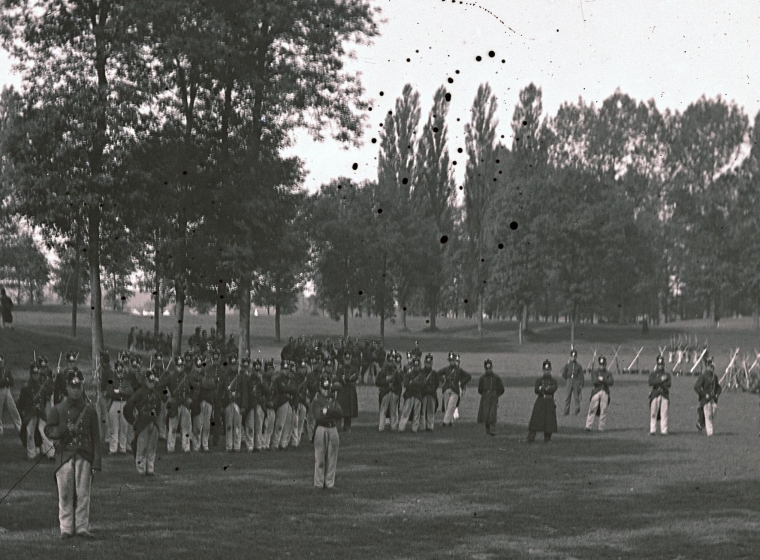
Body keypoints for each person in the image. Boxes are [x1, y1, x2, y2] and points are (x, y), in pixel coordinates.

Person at [44, 369, 102, 539]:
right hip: (65, 455)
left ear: (83, 386)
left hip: (84, 455)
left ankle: (82, 526)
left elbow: (96, 438)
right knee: (65, 493)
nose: (76, 390)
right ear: (67, 388)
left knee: (83, 493)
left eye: (79, 386)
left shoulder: (90, 409)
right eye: (73, 386)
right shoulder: (58, 408)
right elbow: (48, 430)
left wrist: (96, 461)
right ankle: (66, 528)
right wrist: (63, 429)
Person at [125, 366, 166, 475]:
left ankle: (150, 469)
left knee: (152, 448)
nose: (152, 383)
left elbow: (158, 408)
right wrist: (132, 420)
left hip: (154, 423)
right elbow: (128, 406)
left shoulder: (156, 395)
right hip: (142, 423)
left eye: (153, 381)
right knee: (141, 448)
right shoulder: (139, 393)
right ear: (145, 381)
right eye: (150, 381)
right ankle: (141, 470)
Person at [17, 361, 55, 460]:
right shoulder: (25, 388)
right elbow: (21, 403)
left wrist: (51, 379)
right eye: (34, 373)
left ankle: (51, 454)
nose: (35, 375)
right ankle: (31, 454)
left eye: (37, 373)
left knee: (44, 430)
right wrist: (23, 412)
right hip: (30, 412)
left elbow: (50, 391)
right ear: (30, 373)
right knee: (30, 432)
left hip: (41, 412)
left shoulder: (41, 386)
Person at [312, 376, 343, 490]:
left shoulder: (333, 400)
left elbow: (340, 413)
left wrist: (327, 411)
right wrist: (331, 412)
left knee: (332, 457)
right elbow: (318, 416)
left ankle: (330, 483)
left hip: (332, 428)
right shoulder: (316, 401)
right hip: (321, 428)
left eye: (327, 388)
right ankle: (318, 483)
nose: (326, 391)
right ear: (320, 388)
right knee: (320, 458)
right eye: (324, 388)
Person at [527, 360, 558, 443]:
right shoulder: (539, 380)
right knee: (535, 420)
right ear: (543, 370)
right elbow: (536, 389)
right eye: (545, 370)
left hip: (549, 401)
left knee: (549, 421)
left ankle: (547, 439)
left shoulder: (554, 381)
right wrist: (544, 389)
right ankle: (530, 438)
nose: (546, 372)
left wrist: (543, 388)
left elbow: (553, 388)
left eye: (548, 370)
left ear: (550, 370)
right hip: (541, 400)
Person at [439, 352, 472, 427]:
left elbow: (468, 376)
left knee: (451, 406)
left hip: (455, 390)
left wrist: (461, 383)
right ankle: (450, 421)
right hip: (446, 389)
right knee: (447, 406)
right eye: (450, 360)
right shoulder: (446, 369)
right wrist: (442, 380)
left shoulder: (459, 370)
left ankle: (445, 422)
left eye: (453, 360)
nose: (452, 362)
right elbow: (437, 374)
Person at [585, 356, 614, 432]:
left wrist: (602, 379)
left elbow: (611, 382)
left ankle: (601, 428)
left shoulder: (608, 373)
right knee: (592, 409)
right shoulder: (595, 372)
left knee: (603, 410)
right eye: (601, 364)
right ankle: (588, 426)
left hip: (605, 391)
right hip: (596, 391)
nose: (602, 366)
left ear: (605, 364)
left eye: (603, 364)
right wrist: (605, 380)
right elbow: (595, 381)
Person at [694, 356, 722, 436]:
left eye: (713, 366)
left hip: (713, 399)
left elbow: (718, 387)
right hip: (705, 399)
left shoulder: (714, 376)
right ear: (707, 366)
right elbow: (696, 387)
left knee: (712, 412)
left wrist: (717, 394)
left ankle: (700, 423)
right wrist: (704, 394)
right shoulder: (703, 376)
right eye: (711, 366)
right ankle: (710, 433)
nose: (712, 368)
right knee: (708, 415)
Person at [477, 359, 505, 436]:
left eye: (490, 368)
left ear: (492, 368)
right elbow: (480, 389)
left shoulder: (496, 378)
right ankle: (487, 430)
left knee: (492, 413)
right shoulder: (482, 378)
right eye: (487, 369)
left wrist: (496, 395)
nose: (488, 370)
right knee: (486, 413)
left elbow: (502, 389)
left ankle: (493, 430)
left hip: (494, 396)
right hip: (485, 396)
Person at [376, 353, 402, 431]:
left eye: (392, 361)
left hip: (393, 392)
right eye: (389, 361)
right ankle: (381, 427)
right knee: (383, 410)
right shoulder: (383, 371)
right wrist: (386, 380)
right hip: (385, 392)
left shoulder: (396, 371)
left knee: (393, 410)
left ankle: (393, 426)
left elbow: (399, 382)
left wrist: (397, 393)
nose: (390, 363)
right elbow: (377, 382)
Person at [398, 357, 425, 433]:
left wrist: (412, 383)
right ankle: (401, 427)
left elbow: (422, 384)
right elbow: (406, 384)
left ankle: (414, 429)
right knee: (406, 412)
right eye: (415, 365)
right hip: (410, 394)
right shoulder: (409, 374)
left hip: (416, 395)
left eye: (417, 365)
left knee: (417, 413)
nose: (416, 367)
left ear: (419, 365)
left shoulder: (421, 375)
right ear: (413, 365)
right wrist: (415, 385)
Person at [335, 351, 359, 432]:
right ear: (343, 359)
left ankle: (347, 426)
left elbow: (355, 376)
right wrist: (344, 378)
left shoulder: (354, 368)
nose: (347, 361)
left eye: (349, 359)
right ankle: (338, 426)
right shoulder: (340, 368)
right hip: (342, 390)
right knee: (340, 408)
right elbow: (338, 377)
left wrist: (346, 378)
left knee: (349, 409)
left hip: (350, 390)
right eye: (346, 359)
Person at [0, 352, 22, 438]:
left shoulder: (6, 370)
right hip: (0, 391)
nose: (0, 363)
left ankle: (20, 428)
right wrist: (6, 380)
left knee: (13, 409)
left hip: (7, 391)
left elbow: (12, 382)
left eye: (1, 362)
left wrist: (4, 381)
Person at [648, 355, 671, 436]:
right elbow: (651, 382)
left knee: (664, 413)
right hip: (655, 394)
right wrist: (661, 380)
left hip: (664, 394)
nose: (660, 366)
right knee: (653, 413)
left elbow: (668, 384)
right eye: (659, 364)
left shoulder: (667, 374)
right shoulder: (653, 374)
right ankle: (652, 430)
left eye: (661, 365)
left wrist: (658, 382)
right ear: (657, 364)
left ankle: (664, 430)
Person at [561, 349, 584, 415]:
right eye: (572, 356)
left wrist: (581, 384)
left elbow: (581, 375)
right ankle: (566, 411)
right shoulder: (568, 364)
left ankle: (577, 411)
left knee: (576, 397)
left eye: (575, 356)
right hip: (569, 380)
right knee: (567, 397)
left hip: (576, 381)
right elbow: (564, 373)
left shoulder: (579, 366)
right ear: (570, 356)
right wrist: (567, 380)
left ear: (576, 357)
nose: (573, 358)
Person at [420, 354, 439, 431]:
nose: (428, 364)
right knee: (422, 410)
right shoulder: (421, 372)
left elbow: (437, 384)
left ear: (432, 363)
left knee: (431, 411)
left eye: (429, 362)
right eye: (427, 362)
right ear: (424, 362)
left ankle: (430, 426)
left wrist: (432, 389)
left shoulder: (434, 373)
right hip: (423, 393)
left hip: (431, 394)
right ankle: (422, 426)